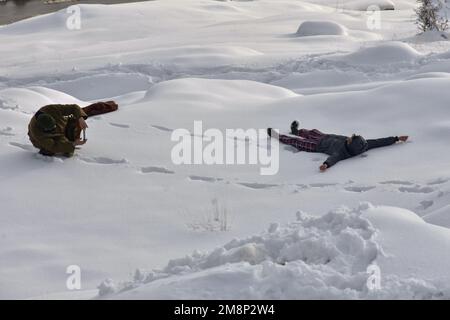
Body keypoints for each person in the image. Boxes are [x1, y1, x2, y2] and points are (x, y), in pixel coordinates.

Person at [267, 121, 409, 172]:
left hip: (316, 145)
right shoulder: (366, 145)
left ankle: (277, 136)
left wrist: (326, 165)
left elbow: (334, 158)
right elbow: (379, 141)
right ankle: (296, 131)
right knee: (310, 131)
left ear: (350, 145)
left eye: (351, 138)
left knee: (296, 142)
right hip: (324, 136)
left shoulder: (342, 153)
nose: (349, 137)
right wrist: (396, 138)